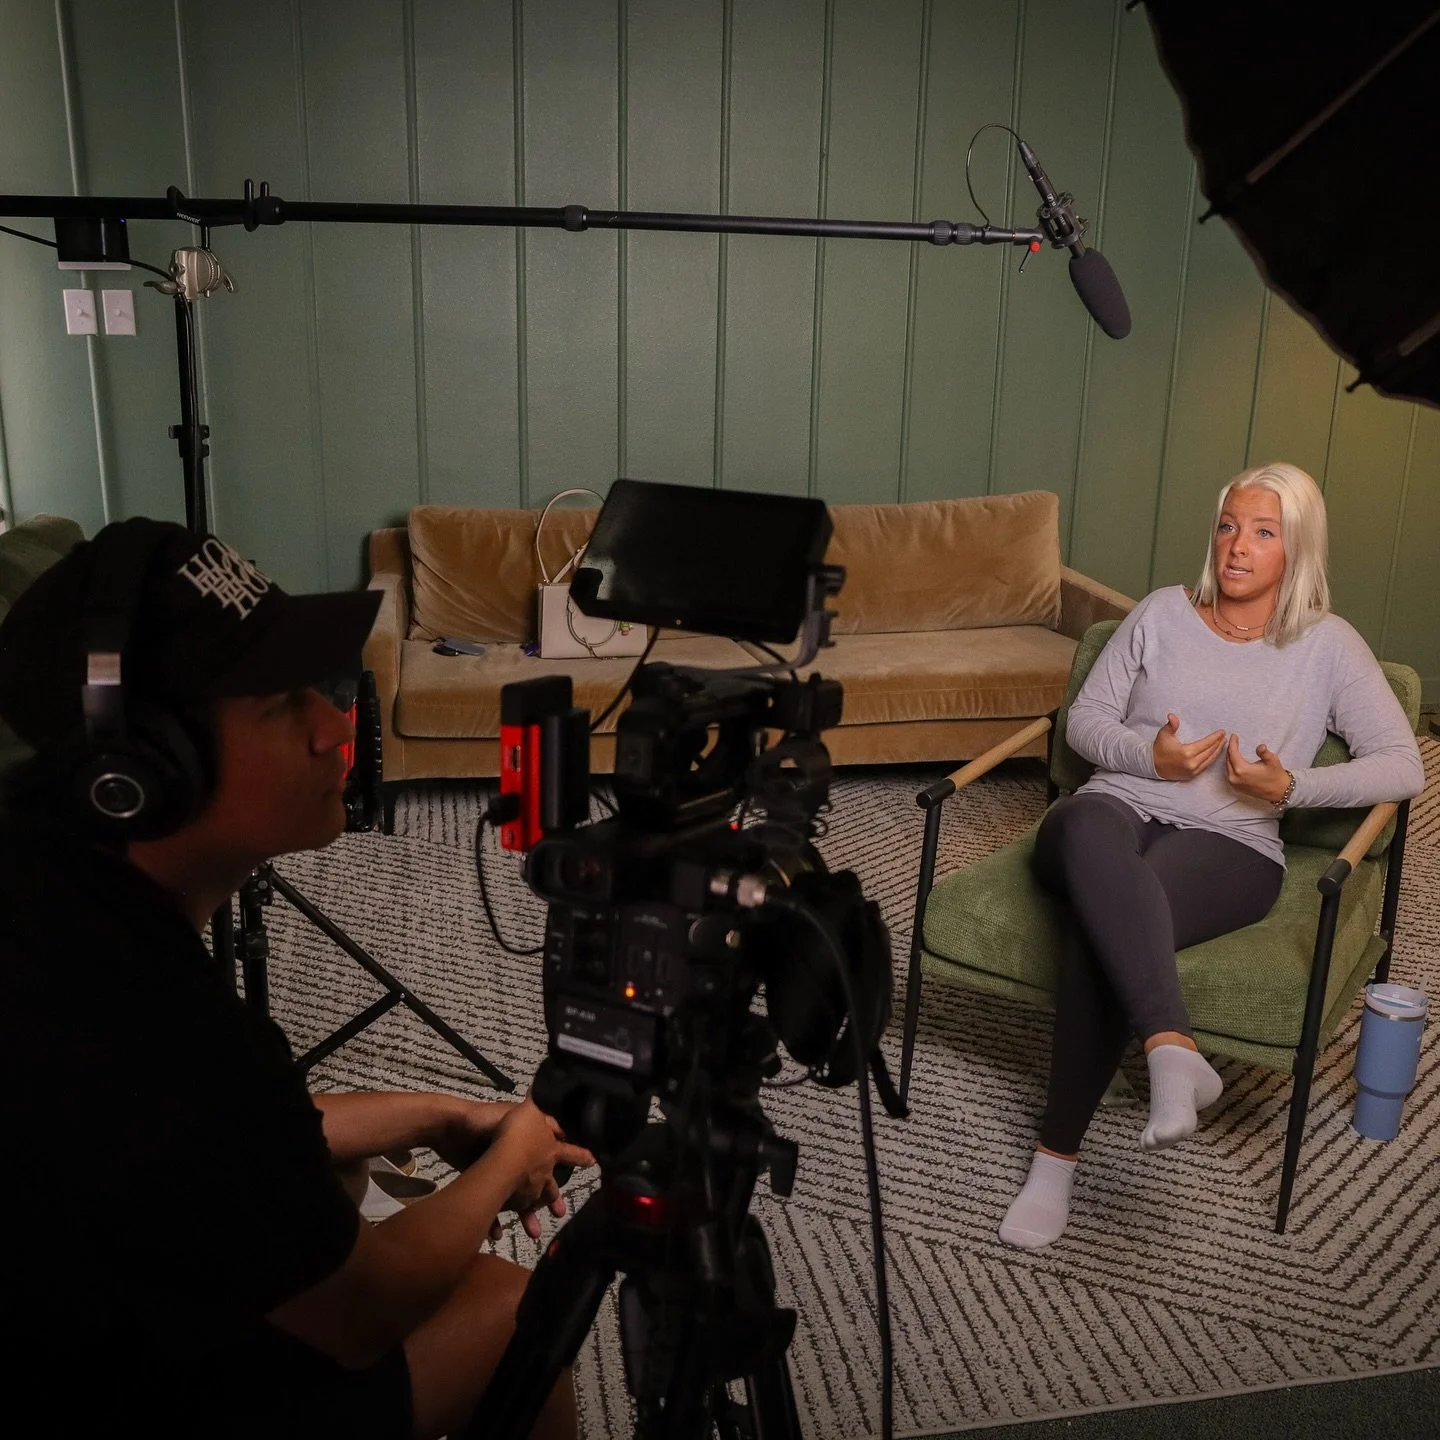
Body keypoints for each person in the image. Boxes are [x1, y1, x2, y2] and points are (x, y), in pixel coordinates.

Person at [0, 517, 594, 1437]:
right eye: (280, 704)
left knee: (343, 1175)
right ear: (141, 771)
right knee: (513, 1306)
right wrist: (511, 1157)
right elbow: (361, 1311)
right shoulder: (149, 1016)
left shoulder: (54, 885)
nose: (335, 726)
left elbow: (218, 1145)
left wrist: (442, 1115)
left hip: (73, 1293)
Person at [998, 462, 1425, 1250]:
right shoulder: (1162, 612)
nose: (1237, 547)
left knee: (1109, 930)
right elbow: (1084, 721)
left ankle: (1053, 1164)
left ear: (1296, 551)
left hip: (1231, 846)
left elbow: (1404, 764)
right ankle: (1174, 1047)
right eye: (1229, 525)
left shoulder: (1327, 646)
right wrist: (1145, 757)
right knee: (1086, 829)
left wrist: (1292, 783)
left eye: (1263, 533)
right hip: (1114, 809)